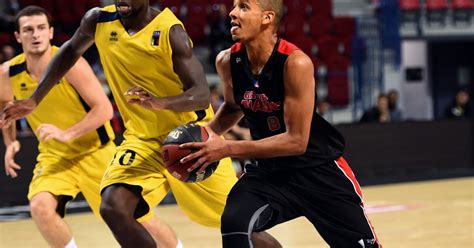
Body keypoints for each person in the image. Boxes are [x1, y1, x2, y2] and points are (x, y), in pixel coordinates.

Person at [0, 2, 279, 248]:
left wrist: (160, 102)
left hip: (190, 137)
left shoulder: (170, 31)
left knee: (236, 223)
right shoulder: (98, 20)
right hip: (143, 139)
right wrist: (36, 99)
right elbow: (70, 51)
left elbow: (201, 95)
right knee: (113, 206)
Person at [180, 0, 382, 247]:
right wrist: (205, 136)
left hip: (318, 171)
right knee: (234, 223)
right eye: (234, 6)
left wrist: (226, 148)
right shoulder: (227, 61)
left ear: (267, 18)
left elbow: (297, 141)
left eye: (243, 7)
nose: (232, 12)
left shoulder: (295, 63)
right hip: (270, 173)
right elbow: (234, 107)